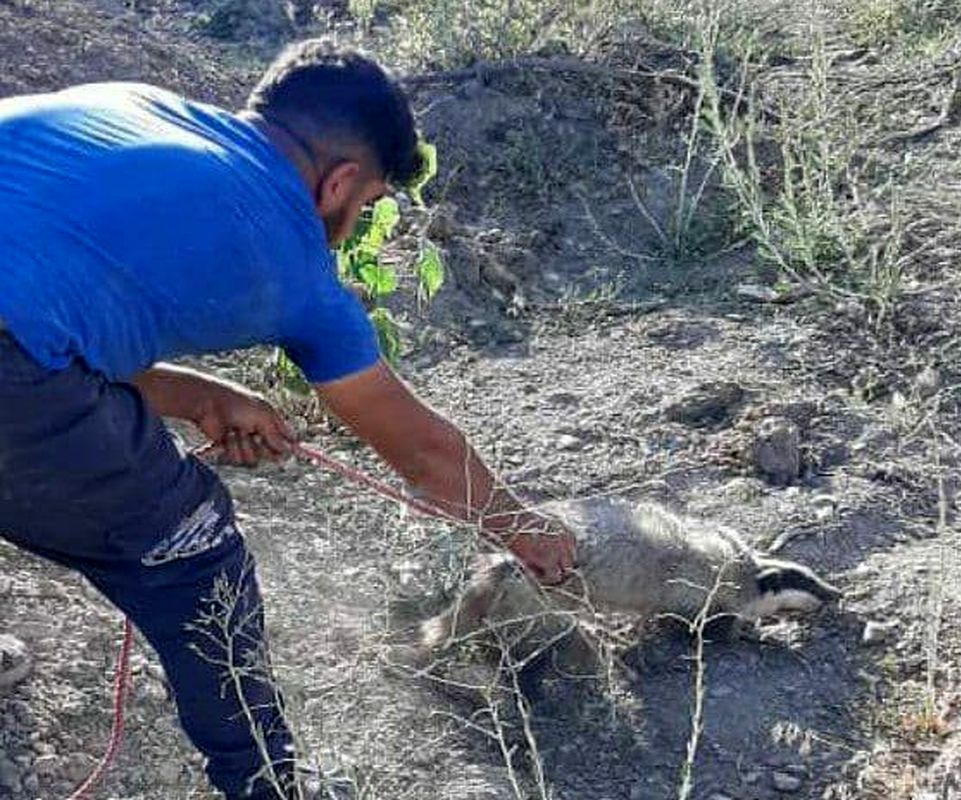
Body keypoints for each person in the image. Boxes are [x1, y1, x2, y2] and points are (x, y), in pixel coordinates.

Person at [0, 38, 576, 799]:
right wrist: (520, 526)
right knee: (197, 555)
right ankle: (266, 782)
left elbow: (46, 302)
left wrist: (199, 396)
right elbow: (419, 448)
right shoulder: (292, 265)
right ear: (339, 182)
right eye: (365, 204)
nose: (350, 223)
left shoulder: (129, 103)